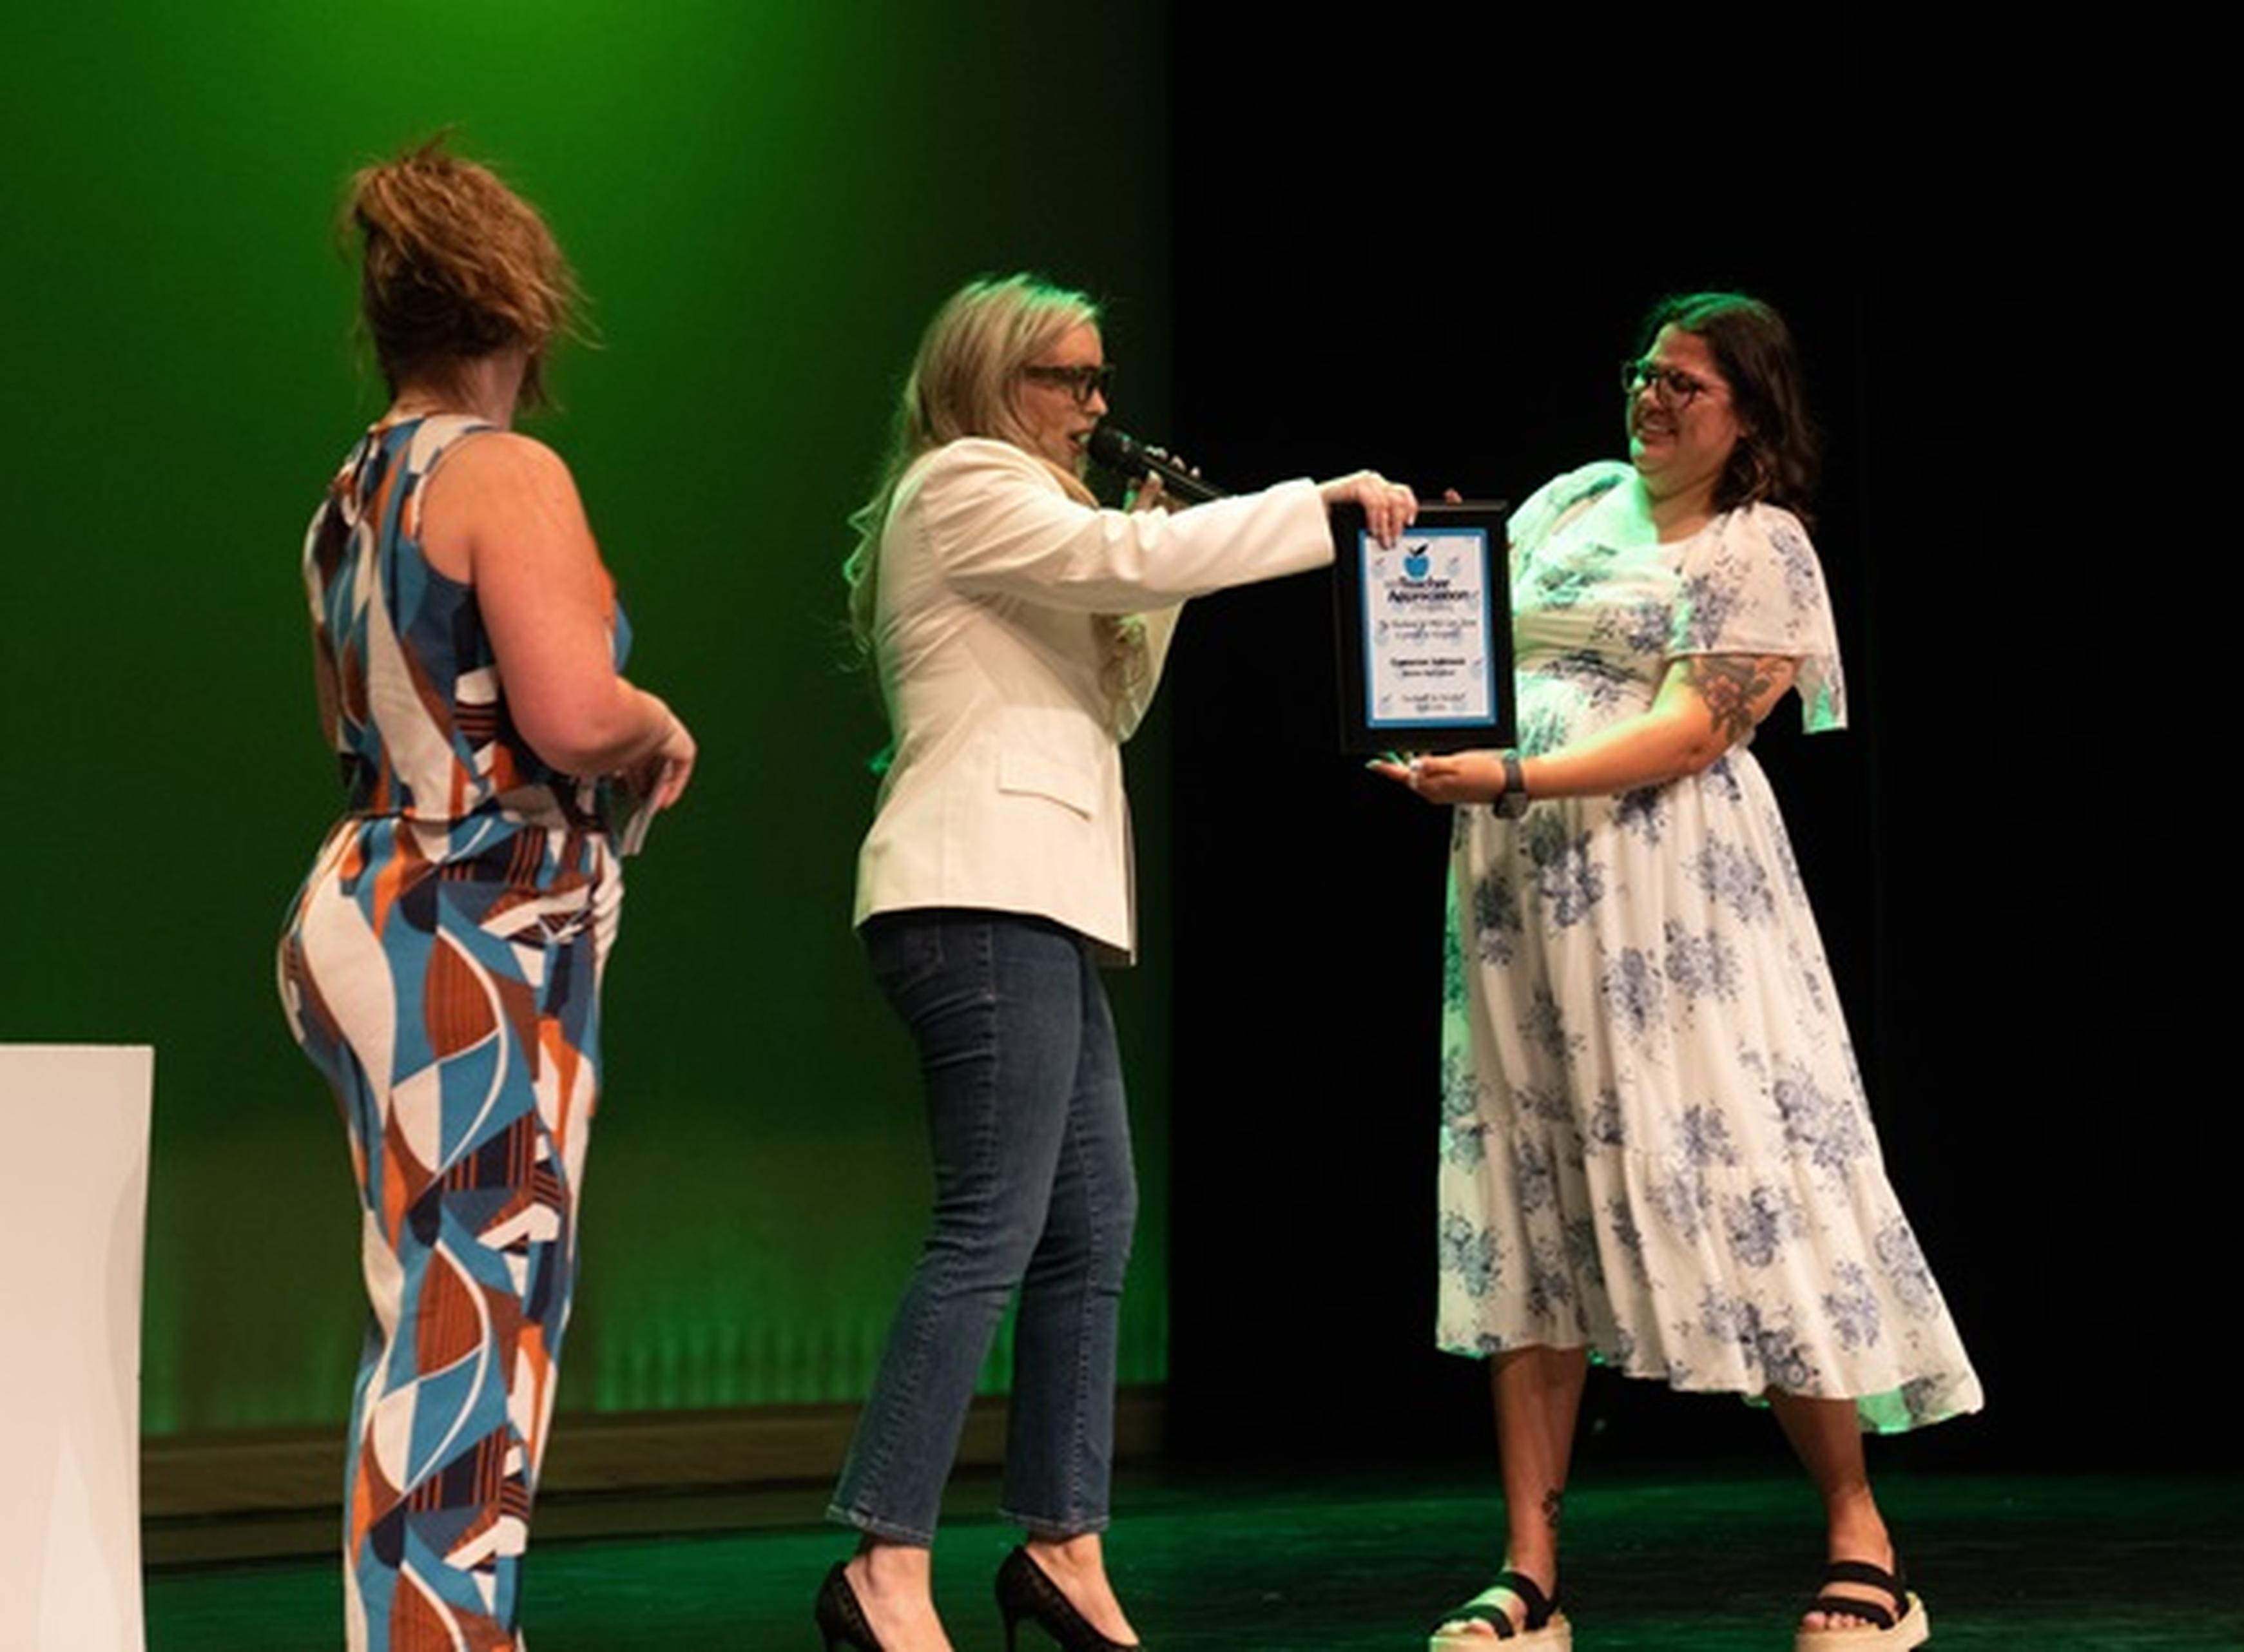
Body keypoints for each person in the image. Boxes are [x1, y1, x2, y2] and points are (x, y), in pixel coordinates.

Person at [819, 273, 1415, 1652]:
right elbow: (1118, 570)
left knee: (1094, 1226)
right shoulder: (962, 481)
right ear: (986, 380)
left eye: (1098, 382)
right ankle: (884, 1558)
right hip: (975, 894)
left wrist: (1159, 558)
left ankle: (1064, 1544)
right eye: (1065, 381)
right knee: (992, 1226)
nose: (1094, 408)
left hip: (1039, 902)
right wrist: (1312, 506)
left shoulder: (1048, 519)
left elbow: (1115, 692)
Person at [1377, 293, 1978, 1652]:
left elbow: (1697, 729)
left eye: (1687, 386)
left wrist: (1517, 770)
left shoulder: (1762, 544)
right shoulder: (1574, 501)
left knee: (1748, 1174)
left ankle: (1860, 1528)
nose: (1652, 398)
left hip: (1674, 903)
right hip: (1520, 899)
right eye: (1645, 372)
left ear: (1751, 417)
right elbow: (1461, 638)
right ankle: (1530, 1571)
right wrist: (1427, 591)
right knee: (1523, 1202)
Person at [276, 138, 695, 1652]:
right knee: (475, 1314)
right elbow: (573, 711)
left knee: (437, 1304)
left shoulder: (354, 484)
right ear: (518, 307)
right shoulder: (500, 469)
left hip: (385, 890)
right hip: (475, 907)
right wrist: (657, 723)